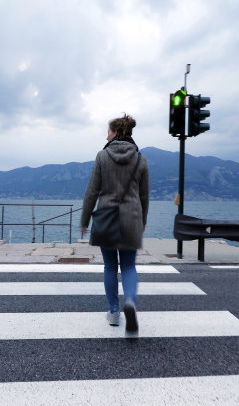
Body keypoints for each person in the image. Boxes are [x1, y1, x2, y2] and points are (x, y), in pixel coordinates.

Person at [80, 113, 149, 333]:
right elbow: (145, 195)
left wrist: (84, 219)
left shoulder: (102, 156)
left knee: (110, 266)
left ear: (116, 133)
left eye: (108, 131)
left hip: (107, 217)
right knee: (129, 266)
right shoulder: (140, 159)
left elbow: (92, 191)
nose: (106, 135)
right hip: (132, 217)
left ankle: (113, 312)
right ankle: (130, 301)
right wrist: (144, 220)